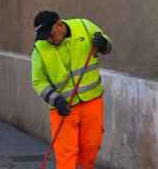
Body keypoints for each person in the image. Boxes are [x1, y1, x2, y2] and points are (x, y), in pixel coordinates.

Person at [31, 10, 112, 169]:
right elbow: (38, 81)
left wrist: (103, 43)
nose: (49, 39)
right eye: (45, 36)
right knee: (66, 154)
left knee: (91, 147)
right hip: (62, 108)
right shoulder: (40, 48)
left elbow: (107, 45)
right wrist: (56, 100)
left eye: (51, 34)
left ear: (60, 25)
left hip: (91, 101)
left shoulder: (84, 26)